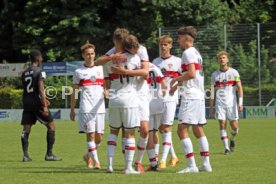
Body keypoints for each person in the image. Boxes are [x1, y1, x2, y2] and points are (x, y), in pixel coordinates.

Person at [103, 33, 150, 173]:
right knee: (129, 134)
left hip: (114, 99)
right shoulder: (135, 59)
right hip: (130, 98)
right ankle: (129, 167)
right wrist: (128, 71)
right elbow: (145, 74)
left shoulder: (109, 61)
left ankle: (110, 166)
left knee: (113, 132)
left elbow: (107, 80)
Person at [170, 26, 212, 173]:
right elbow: (191, 75)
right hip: (199, 95)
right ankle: (206, 164)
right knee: (198, 128)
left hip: (191, 95)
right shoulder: (196, 53)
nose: (178, 40)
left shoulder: (187, 53)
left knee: (181, 129)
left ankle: (191, 165)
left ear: (186, 37)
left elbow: (191, 74)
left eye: (179, 37)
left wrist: (175, 79)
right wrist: (177, 86)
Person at [20, 49, 61, 162]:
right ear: (38, 59)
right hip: (37, 104)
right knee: (51, 126)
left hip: (27, 103)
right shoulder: (40, 71)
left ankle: (25, 156)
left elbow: (30, 90)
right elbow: (41, 89)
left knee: (26, 129)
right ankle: (49, 155)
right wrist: (44, 105)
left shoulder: (24, 72)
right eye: (41, 58)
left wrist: (44, 99)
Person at [70, 41, 105, 169]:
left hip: (99, 107)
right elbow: (74, 91)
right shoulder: (78, 71)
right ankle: (96, 162)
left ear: (95, 54)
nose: (90, 56)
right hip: (86, 107)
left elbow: (106, 84)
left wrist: (107, 91)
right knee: (90, 134)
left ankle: (87, 156)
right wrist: (72, 109)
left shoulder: (101, 69)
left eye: (92, 53)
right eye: (87, 54)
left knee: (99, 138)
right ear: (83, 56)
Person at [152, 35, 181, 169]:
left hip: (171, 98)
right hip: (157, 98)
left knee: (167, 128)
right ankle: (174, 156)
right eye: (161, 44)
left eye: (165, 44)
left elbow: (183, 79)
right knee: (160, 129)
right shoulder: (155, 62)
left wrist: (176, 88)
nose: (163, 47)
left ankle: (162, 161)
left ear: (170, 46)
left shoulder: (178, 61)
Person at [210, 51, 243, 155]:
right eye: (220, 58)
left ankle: (232, 139)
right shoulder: (214, 74)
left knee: (234, 127)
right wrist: (211, 107)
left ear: (227, 59)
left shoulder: (234, 73)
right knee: (222, 123)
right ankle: (226, 148)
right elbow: (212, 91)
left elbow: (240, 88)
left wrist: (240, 103)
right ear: (217, 61)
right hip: (220, 104)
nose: (222, 59)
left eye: (224, 58)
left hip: (232, 104)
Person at [146, 63, 167, 171]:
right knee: (155, 131)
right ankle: (156, 158)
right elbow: (165, 86)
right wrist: (161, 97)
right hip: (159, 103)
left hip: (147, 103)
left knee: (148, 134)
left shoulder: (139, 67)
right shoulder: (155, 67)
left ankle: (153, 163)